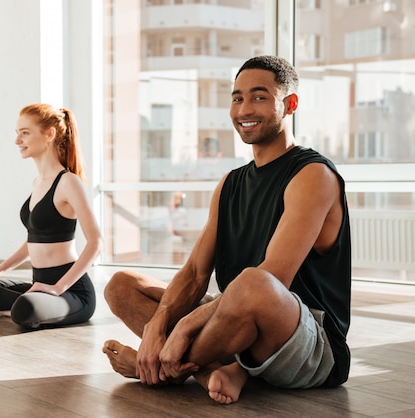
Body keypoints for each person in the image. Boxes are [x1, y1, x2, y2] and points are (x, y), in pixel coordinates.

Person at [102, 55, 351, 404]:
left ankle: (161, 367)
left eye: (260, 97)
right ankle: (209, 372)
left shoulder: (312, 175)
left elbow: (271, 280)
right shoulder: (231, 183)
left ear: (290, 104)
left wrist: (184, 328)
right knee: (121, 285)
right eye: (237, 98)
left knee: (252, 283)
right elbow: (194, 273)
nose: (244, 108)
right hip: (236, 319)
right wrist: (156, 327)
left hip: (309, 344)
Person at [0, 103, 102, 329]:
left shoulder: (68, 182)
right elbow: (33, 241)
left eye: (25, 133)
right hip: (39, 285)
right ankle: (27, 304)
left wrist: (58, 288)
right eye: (17, 133)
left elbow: (96, 243)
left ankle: (25, 306)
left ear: (49, 134)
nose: (17, 140)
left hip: (72, 292)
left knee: (24, 309)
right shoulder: (38, 182)